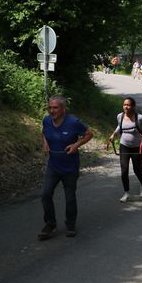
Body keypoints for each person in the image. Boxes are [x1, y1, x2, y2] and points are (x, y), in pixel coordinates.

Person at [39, 95, 93, 240]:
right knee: (45, 194)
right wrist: (45, 143)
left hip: (70, 166)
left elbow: (89, 134)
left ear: (63, 108)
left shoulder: (73, 122)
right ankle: (50, 224)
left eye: (55, 107)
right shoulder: (46, 120)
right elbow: (44, 132)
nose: (52, 110)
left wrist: (76, 145)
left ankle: (70, 224)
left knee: (69, 197)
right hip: (53, 165)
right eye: (50, 107)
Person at [107, 97, 142, 202]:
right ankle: (126, 193)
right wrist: (114, 135)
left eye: (128, 105)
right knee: (124, 170)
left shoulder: (140, 118)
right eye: (124, 105)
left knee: (137, 169)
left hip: (136, 147)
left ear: (133, 106)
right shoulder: (120, 116)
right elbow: (119, 126)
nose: (126, 107)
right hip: (124, 146)